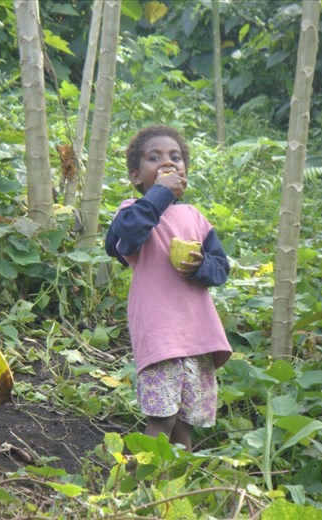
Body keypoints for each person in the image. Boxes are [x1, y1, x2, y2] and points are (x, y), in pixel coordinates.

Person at [105, 125, 232, 451]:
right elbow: (125, 240)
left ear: (185, 172)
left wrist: (199, 266)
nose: (168, 162)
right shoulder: (132, 211)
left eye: (175, 157)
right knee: (162, 418)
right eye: (154, 157)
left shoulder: (195, 217)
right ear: (136, 175)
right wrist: (159, 193)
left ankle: (175, 494)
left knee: (186, 423)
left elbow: (221, 269)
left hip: (198, 334)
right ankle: (145, 489)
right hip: (160, 332)